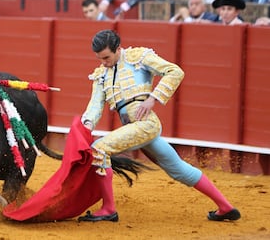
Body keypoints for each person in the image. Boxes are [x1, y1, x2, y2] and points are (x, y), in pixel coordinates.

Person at [77, 29, 241, 223]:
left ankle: (109, 209)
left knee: (99, 149)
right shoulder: (101, 75)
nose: (103, 62)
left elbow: (175, 71)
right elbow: (95, 104)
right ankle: (225, 207)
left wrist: (153, 98)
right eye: (100, 58)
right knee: (178, 169)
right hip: (134, 129)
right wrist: (86, 124)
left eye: (106, 57)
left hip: (146, 124)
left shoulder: (138, 57)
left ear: (118, 49)